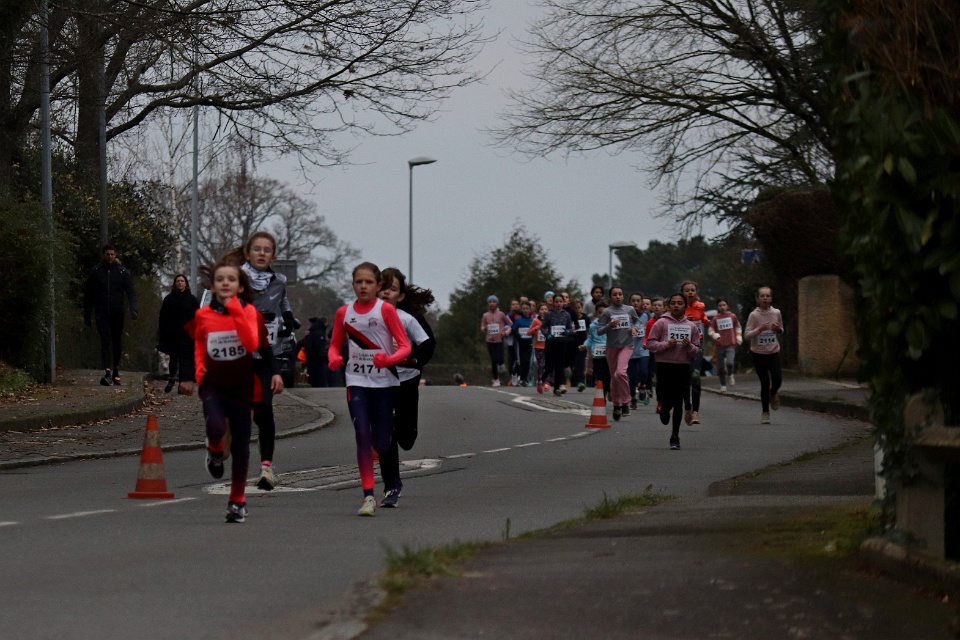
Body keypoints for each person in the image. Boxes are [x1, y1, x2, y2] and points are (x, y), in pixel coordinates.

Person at [181, 261, 279, 523]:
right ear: (213, 287)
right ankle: (215, 450)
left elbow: (252, 343)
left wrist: (236, 311)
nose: (225, 283)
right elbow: (196, 345)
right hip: (213, 384)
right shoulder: (203, 316)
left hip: (241, 387)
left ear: (240, 287)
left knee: (240, 446)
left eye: (231, 279)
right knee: (215, 426)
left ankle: (237, 501)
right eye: (220, 279)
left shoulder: (249, 312)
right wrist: (197, 373)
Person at [327, 262, 411, 516]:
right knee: (362, 434)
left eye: (369, 282)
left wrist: (389, 359)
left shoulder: (385, 310)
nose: (363, 286)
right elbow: (334, 345)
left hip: (384, 383)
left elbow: (405, 346)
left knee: (382, 445)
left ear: (378, 285)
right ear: (353, 284)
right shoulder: (344, 313)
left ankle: (383, 450)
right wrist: (333, 357)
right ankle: (368, 496)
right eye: (358, 282)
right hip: (357, 381)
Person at [223, 232, 294, 491]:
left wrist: (288, 318)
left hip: (266, 354)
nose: (262, 253)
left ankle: (266, 467)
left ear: (273, 256)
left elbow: (282, 300)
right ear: (247, 254)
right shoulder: (235, 278)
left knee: (264, 407)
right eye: (257, 249)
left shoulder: (279, 281)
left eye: (267, 250)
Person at [376, 268, 435, 508]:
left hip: (407, 380)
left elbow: (428, 345)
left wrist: (411, 358)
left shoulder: (408, 318)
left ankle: (401, 431)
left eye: (392, 289)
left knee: (407, 438)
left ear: (400, 296)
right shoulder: (365, 316)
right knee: (385, 431)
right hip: (380, 381)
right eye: (383, 287)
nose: (386, 292)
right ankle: (392, 485)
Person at [646, 293, 701, 450]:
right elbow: (650, 344)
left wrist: (688, 346)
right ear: (668, 306)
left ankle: (675, 436)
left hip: (682, 366)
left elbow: (697, 349)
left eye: (680, 303)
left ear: (685, 306)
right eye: (673, 303)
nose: (676, 305)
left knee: (678, 402)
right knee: (665, 397)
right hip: (664, 365)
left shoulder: (691, 326)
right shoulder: (661, 323)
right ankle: (664, 409)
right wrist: (665, 345)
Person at [84, 244, 138, 386]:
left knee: (116, 341)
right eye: (107, 254)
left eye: (112, 254)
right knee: (105, 340)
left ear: (115, 255)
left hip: (117, 311)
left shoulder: (122, 272)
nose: (110, 257)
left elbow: (130, 292)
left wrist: (133, 309)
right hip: (101, 312)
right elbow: (88, 295)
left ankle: (116, 369)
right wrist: (87, 315)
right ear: (103, 255)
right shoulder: (95, 272)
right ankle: (107, 371)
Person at [597, 286, 641, 421]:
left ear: (623, 296)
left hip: (626, 346)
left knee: (620, 373)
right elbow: (599, 331)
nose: (618, 296)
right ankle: (616, 405)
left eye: (620, 294)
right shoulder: (607, 312)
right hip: (611, 347)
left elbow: (637, 322)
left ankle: (626, 401)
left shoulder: (629, 309)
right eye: (615, 294)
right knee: (614, 377)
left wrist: (634, 328)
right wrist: (609, 325)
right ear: (610, 297)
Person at [744, 286, 784, 424]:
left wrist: (778, 329)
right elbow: (747, 335)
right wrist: (759, 329)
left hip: (773, 352)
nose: (765, 298)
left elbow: (781, 329)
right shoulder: (754, 315)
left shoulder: (776, 312)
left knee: (777, 379)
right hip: (758, 353)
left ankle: (773, 393)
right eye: (762, 296)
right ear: (757, 299)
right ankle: (765, 412)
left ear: (771, 298)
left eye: (767, 296)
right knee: (765, 383)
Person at [157, 274, 199, 393]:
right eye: (178, 281)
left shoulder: (192, 299)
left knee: (185, 360)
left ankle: (182, 383)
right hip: (172, 334)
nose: (180, 283)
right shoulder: (169, 299)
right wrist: (163, 331)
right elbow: (163, 317)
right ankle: (171, 379)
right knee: (173, 358)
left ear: (186, 284)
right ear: (175, 284)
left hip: (187, 335)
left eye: (182, 281)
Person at [681, 280, 709, 426]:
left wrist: (705, 320)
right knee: (685, 379)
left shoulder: (700, 306)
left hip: (698, 343)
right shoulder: (679, 307)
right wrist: (685, 320)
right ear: (682, 293)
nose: (690, 292)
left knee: (696, 376)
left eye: (692, 290)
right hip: (682, 345)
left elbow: (703, 317)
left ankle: (696, 411)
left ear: (696, 292)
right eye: (687, 290)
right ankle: (687, 406)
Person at [542, 293, 574, 396]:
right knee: (549, 365)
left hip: (562, 343)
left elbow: (570, 328)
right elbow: (543, 327)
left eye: (560, 302)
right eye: (556, 302)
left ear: (563, 303)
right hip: (551, 343)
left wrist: (567, 332)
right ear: (553, 303)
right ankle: (544, 378)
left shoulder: (566, 314)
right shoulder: (549, 314)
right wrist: (547, 335)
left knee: (559, 366)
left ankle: (557, 388)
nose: (559, 304)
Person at [708, 298, 742, 392]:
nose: (722, 307)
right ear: (717, 307)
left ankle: (730, 374)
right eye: (720, 305)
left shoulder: (732, 316)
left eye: (724, 305)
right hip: (719, 346)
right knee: (721, 368)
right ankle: (723, 385)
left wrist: (738, 337)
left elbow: (738, 327)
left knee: (730, 363)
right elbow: (711, 330)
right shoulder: (716, 318)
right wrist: (714, 335)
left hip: (730, 344)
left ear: (727, 306)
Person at [580, 300, 610, 399]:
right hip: (597, 354)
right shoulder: (593, 326)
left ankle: (610, 390)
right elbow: (590, 339)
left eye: (604, 313)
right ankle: (602, 397)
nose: (602, 315)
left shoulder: (611, 325)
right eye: (600, 313)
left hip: (609, 354)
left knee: (608, 375)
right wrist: (584, 345)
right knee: (600, 376)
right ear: (596, 313)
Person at [480, 295, 512, 386]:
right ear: (488, 304)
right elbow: (482, 326)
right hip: (490, 340)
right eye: (490, 302)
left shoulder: (501, 314)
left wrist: (506, 333)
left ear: (497, 303)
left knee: (500, 359)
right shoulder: (485, 315)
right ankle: (496, 379)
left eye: (494, 302)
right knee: (493, 360)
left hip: (500, 339)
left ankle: (501, 365)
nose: (492, 303)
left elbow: (510, 324)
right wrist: (484, 328)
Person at [627, 293, 651, 409]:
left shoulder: (646, 315)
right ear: (630, 303)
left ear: (642, 303)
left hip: (643, 348)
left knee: (644, 372)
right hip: (630, 349)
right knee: (632, 377)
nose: (636, 303)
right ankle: (633, 398)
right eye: (633, 301)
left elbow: (652, 328)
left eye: (638, 301)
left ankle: (642, 386)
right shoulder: (626, 316)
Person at [301, 316, 330, 387]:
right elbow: (319, 347)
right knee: (321, 381)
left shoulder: (311, 332)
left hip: (310, 359)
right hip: (318, 360)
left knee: (314, 381)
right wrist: (324, 356)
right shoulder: (319, 333)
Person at [512, 301, 535, 387]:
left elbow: (535, 330)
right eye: (523, 308)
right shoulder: (518, 320)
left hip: (529, 343)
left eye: (527, 308)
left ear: (530, 310)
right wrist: (518, 335)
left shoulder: (532, 320)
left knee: (527, 361)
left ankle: (524, 379)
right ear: (521, 310)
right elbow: (513, 329)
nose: (525, 310)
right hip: (520, 343)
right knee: (521, 361)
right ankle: (520, 377)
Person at [569, 299, 589, 391]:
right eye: (575, 308)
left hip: (582, 344)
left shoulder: (585, 318)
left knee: (580, 363)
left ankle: (580, 381)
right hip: (572, 343)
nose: (577, 310)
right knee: (572, 363)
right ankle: (573, 380)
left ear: (582, 308)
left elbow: (588, 330)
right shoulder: (570, 318)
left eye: (579, 307)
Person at [528, 303, 548, 393]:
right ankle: (539, 381)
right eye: (542, 309)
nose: (544, 311)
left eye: (546, 309)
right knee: (541, 365)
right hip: (538, 346)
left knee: (548, 365)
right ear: (538, 311)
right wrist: (535, 329)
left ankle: (546, 382)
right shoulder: (536, 321)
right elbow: (529, 332)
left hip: (549, 346)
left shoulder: (550, 320)